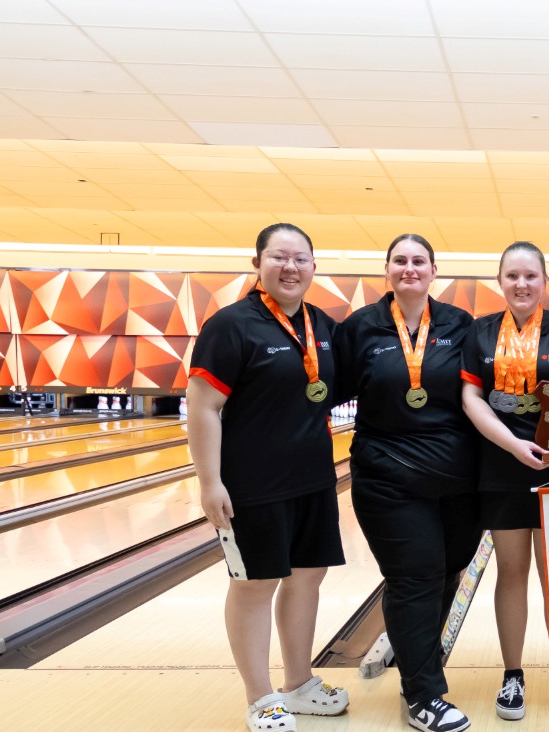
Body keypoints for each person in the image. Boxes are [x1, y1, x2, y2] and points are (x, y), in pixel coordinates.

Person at [187, 223, 348, 732]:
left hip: (314, 479)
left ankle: (298, 683)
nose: (291, 267)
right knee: (255, 585)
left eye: (301, 258)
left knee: (307, 577)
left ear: (313, 267)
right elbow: (203, 406)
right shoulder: (231, 325)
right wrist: (209, 481)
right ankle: (260, 697)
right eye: (279, 257)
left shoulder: (321, 325)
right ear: (258, 263)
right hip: (251, 485)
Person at [333, 233, 482, 732]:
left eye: (419, 261)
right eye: (400, 261)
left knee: (447, 573)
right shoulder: (362, 328)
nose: (409, 269)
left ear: (433, 271)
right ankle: (424, 694)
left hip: (459, 483)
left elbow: (484, 390)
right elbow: (322, 393)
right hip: (388, 478)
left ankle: (420, 670)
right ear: (388, 270)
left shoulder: (459, 325)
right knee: (415, 577)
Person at [459, 241, 549, 722]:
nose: (522, 284)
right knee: (511, 572)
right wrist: (512, 445)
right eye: (512, 275)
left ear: (544, 280)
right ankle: (513, 675)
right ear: (500, 281)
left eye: (530, 275)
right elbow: (472, 396)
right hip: (501, 465)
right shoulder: (481, 331)